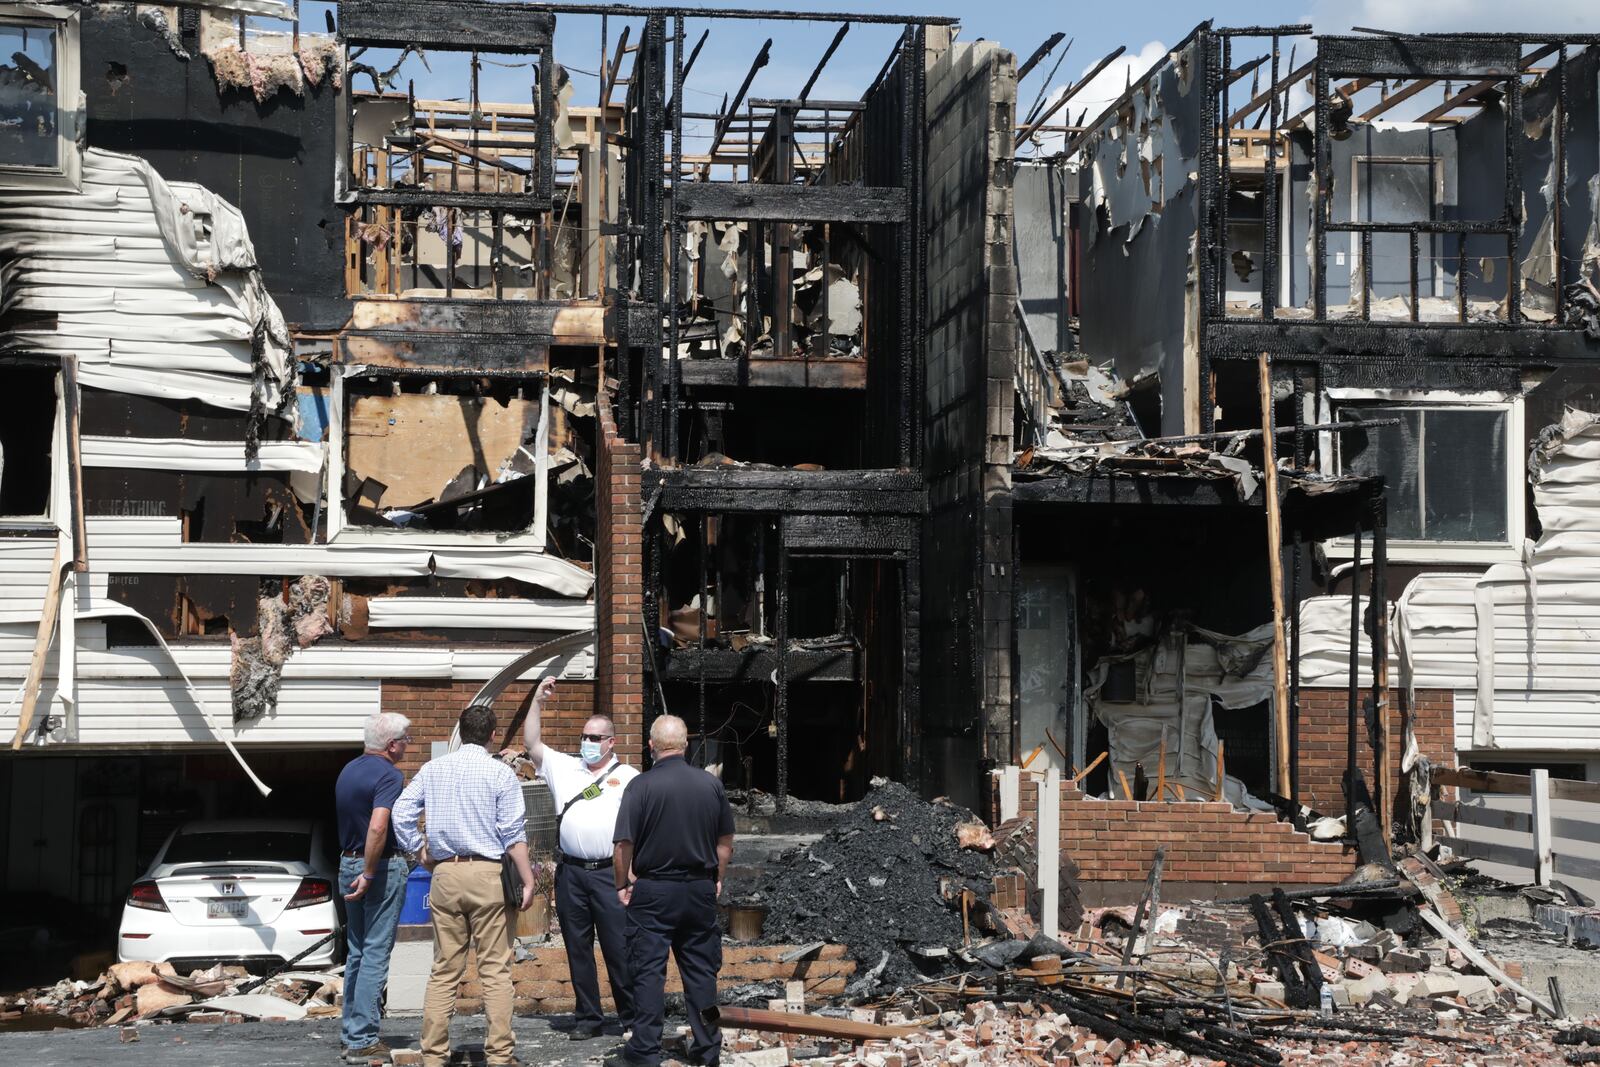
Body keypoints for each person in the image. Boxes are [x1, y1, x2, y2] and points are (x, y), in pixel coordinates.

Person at [393, 704, 535, 1067]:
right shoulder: (500, 773)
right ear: (492, 736)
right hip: (488, 874)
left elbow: (401, 812)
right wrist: (528, 878)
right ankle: (500, 1056)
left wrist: (419, 851)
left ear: (459, 731)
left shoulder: (434, 768)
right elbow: (512, 834)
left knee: (444, 970)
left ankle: (434, 1056)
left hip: (446, 874)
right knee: (495, 970)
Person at [608, 715, 734, 1067]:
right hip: (698, 890)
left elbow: (622, 846)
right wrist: (717, 877)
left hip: (653, 892)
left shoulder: (641, 787)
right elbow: (725, 842)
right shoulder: (710, 785)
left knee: (648, 973)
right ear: (686, 746)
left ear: (651, 746)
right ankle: (708, 1049)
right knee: (702, 976)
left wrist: (621, 883)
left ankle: (645, 1051)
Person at [521, 677, 638, 1040]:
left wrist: (631, 876)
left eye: (595, 737)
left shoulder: (629, 777)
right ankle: (588, 1017)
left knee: (619, 948)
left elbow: (639, 833)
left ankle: (631, 1016)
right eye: (585, 737)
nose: (587, 743)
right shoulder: (565, 768)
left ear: (611, 742)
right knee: (578, 948)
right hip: (571, 872)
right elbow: (532, 742)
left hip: (610, 874)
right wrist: (537, 700)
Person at [334, 712, 412, 1064]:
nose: (408, 745)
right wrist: (369, 872)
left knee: (357, 951)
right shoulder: (389, 775)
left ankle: (351, 1031)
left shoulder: (348, 770)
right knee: (376, 951)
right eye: (406, 739)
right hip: (377, 868)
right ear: (392, 745)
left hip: (346, 860)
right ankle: (364, 1039)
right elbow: (379, 827)